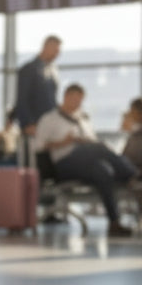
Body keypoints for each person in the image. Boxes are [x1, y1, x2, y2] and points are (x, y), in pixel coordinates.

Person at [35, 84, 137, 238]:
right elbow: (39, 147)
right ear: (66, 97)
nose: (77, 103)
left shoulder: (83, 119)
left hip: (85, 162)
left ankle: (114, 222)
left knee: (104, 171)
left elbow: (91, 141)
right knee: (100, 147)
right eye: (74, 99)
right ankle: (132, 174)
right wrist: (64, 142)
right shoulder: (49, 119)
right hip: (64, 164)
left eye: (80, 100)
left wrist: (85, 141)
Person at [15, 36, 62, 138]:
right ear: (47, 47)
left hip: (51, 124)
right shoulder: (28, 69)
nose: (57, 54)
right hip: (35, 125)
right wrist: (28, 123)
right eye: (55, 50)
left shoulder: (52, 70)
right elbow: (22, 99)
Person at [120, 97, 142, 172]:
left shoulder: (137, 134)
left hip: (134, 171)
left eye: (132, 111)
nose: (130, 113)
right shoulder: (135, 132)